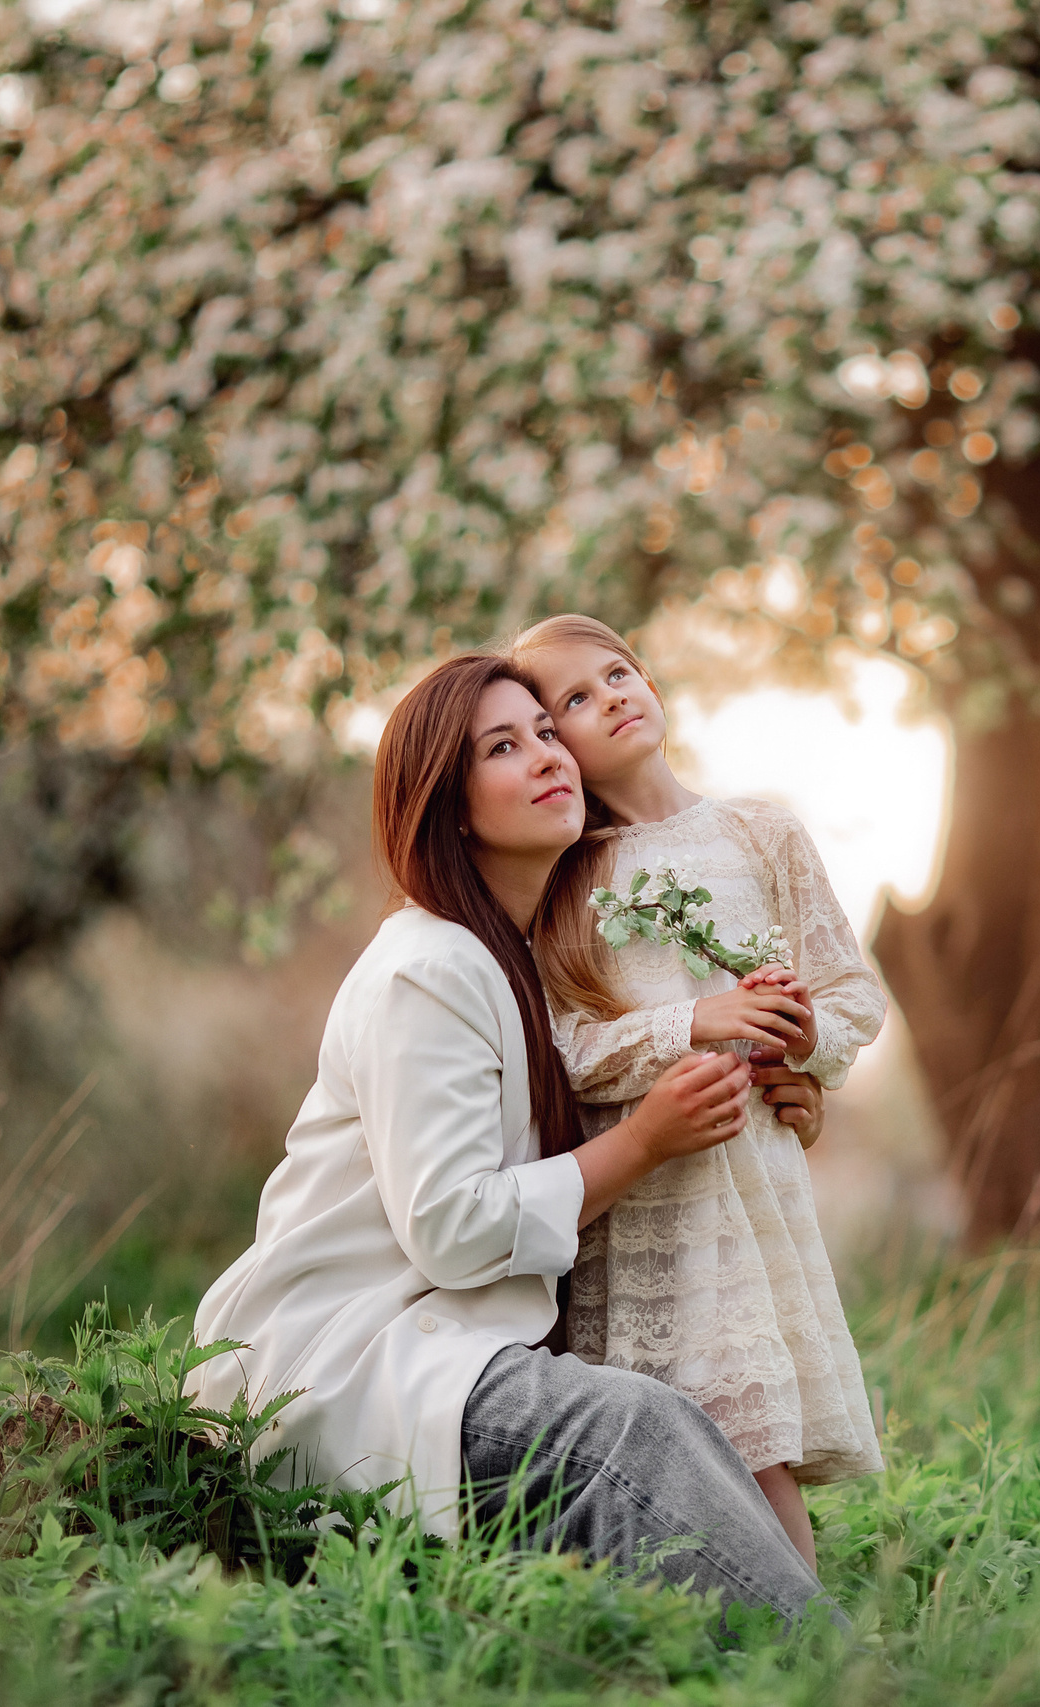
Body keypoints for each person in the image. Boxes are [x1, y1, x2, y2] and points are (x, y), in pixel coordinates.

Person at [186, 652, 836, 1625]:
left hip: (456, 1358)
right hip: (346, 1366)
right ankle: (838, 1673)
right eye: (502, 746)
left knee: (674, 1416)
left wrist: (780, 1089)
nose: (546, 755)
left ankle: (739, 1652)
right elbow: (449, 1227)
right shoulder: (429, 968)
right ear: (448, 805)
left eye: (544, 730)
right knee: (634, 1431)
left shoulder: (525, 963)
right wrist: (645, 1144)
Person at [512, 615, 885, 1574]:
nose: (614, 697)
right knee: (675, 1432)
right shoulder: (566, 878)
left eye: (619, 672)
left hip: (749, 1183)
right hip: (648, 1199)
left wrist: (802, 1041)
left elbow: (852, 992)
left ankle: (804, 1638)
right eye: (576, 702)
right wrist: (694, 1024)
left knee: (759, 1434)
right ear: (558, 746)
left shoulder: (760, 830)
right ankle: (692, 1634)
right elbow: (566, 1050)